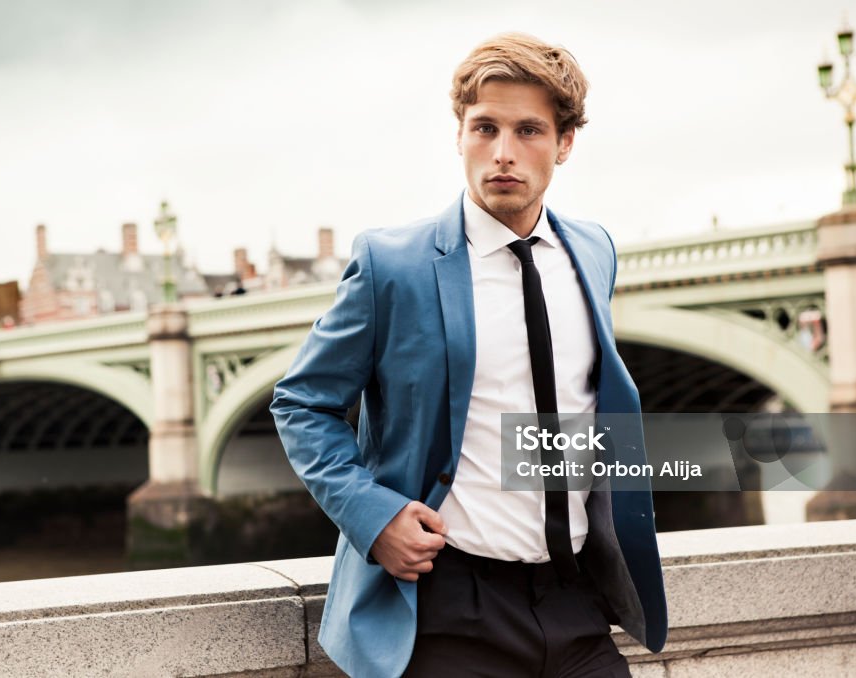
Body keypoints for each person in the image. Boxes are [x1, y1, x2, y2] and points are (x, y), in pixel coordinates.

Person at [271, 32, 667, 678]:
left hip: (574, 601)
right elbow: (300, 401)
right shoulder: (391, 265)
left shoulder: (594, 252)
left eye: (528, 131)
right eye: (484, 128)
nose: (503, 154)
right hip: (453, 610)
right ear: (459, 135)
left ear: (565, 144)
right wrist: (376, 517)